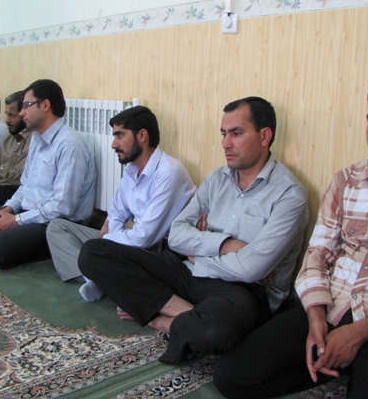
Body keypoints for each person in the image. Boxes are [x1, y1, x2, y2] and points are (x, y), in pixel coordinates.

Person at [213, 76, 368, 399]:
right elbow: (317, 253)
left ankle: (360, 367)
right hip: (331, 308)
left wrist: (361, 332)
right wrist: (316, 316)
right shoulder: (346, 180)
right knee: (231, 376)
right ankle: (335, 364)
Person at [78, 97, 309, 364]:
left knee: (216, 329)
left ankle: (159, 317)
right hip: (190, 273)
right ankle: (187, 313)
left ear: (265, 136)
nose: (226, 143)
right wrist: (225, 245)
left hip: (243, 292)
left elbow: (251, 269)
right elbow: (177, 235)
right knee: (93, 252)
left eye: (236, 133)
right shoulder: (216, 180)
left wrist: (198, 255)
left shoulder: (289, 195)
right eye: (223, 134)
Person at [0, 79, 96, 270]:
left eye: (27, 105)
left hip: (52, 224)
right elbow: (25, 186)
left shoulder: (70, 145)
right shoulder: (37, 139)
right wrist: (8, 210)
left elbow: (63, 207)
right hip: (26, 214)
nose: (22, 112)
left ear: (45, 105)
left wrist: (16, 221)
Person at [47, 105, 196, 302]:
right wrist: (110, 239)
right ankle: (102, 278)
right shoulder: (131, 169)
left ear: (142, 135)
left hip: (160, 251)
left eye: (120, 135)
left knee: (94, 250)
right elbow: (116, 212)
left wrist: (107, 241)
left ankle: (103, 276)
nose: (113, 144)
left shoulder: (169, 172)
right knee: (57, 228)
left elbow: (145, 237)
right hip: (131, 241)